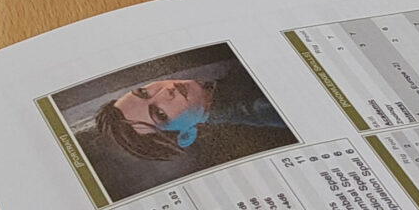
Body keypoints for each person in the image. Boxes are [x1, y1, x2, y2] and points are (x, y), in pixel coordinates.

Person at [95, 67, 291, 165]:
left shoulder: (221, 81)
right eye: (160, 114)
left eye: (143, 92)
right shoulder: (263, 107)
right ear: (186, 135)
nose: (164, 92)